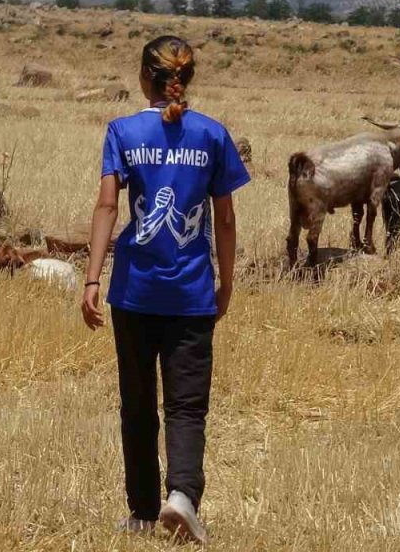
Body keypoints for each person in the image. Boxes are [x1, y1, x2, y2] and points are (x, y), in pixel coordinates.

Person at [81, 35, 250, 544]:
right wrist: (226, 281)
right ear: (187, 79)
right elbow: (225, 217)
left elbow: (108, 208)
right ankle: (181, 497)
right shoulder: (213, 135)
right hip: (191, 294)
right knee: (186, 406)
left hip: (133, 292)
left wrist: (91, 277)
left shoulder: (123, 131)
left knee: (137, 403)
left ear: (143, 78)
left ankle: (140, 512)